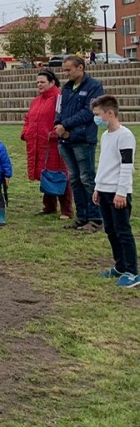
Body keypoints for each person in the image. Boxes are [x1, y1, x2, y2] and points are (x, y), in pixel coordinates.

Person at [90, 95, 138, 288]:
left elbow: (126, 166)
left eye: (98, 114)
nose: (96, 118)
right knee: (110, 229)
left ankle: (132, 271)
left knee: (122, 231)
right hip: (104, 190)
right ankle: (120, 266)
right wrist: (98, 187)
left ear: (110, 113)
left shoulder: (125, 136)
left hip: (118, 192)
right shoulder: (105, 136)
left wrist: (121, 192)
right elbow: (105, 163)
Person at [55, 55, 105, 232]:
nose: (66, 73)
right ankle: (82, 217)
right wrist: (59, 126)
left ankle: (95, 218)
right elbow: (59, 110)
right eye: (64, 70)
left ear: (80, 68)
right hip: (65, 140)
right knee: (75, 180)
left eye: (69, 70)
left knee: (87, 179)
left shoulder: (94, 87)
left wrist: (66, 126)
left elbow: (89, 112)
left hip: (83, 140)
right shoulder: (66, 88)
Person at [20, 70, 73, 219]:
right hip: (39, 144)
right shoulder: (36, 101)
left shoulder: (60, 99)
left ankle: (66, 210)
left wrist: (56, 134)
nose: (39, 85)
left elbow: (65, 119)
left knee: (60, 174)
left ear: (52, 82)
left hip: (54, 145)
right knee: (45, 174)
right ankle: (49, 206)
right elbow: (28, 119)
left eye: (42, 82)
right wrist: (26, 132)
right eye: (37, 82)